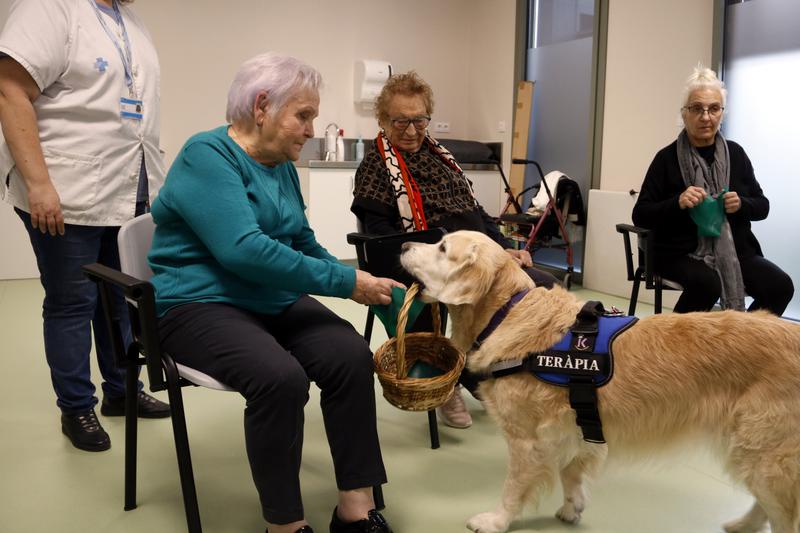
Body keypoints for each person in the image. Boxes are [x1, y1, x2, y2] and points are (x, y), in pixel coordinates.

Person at [148, 52, 398, 533]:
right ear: (261, 106)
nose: (310, 130)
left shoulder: (280, 162)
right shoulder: (206, 155)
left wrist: (363, 280)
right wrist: (347, 282)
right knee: (280, 379)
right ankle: (284, 525)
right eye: (303, 115)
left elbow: (300, 240)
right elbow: (244, 250)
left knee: (349, 355)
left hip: (269, 300)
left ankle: (355, 508)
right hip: (198, 303)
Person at [0, 0, 170, 453]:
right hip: (65, 190)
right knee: (72, 303)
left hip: (125, 190)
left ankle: (122, 391)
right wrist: (38, 183)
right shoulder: (49, 7)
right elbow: (10, 90)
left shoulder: (130, 21)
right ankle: (76, 407)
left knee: (120, 302)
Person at [350, 71, 559, 429]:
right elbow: (381, 236)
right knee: (437, 299)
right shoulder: (375, 168)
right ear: (383, 120)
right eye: (400, 121)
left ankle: (498, 369)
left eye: (419, 120)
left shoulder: (442, 158)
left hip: (472, 259)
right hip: (419, 259)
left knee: (541, 286)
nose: (411, 130)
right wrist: (435, 261)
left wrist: (504, 248)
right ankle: (449, 376)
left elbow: (476, 213)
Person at [632, 66, 793, 315]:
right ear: (684, 114)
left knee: (780, 287)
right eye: (697, 108)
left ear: (722, 113)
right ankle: (676, 339)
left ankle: (740, 336)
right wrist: (677, 202)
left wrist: (742, 204)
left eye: (714, 108)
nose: (706, 117)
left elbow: (763, 206)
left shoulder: (736, 154)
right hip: (679, 253)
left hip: (736, 251)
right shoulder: (666, 159)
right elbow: (641, 214)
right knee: (707, 283)